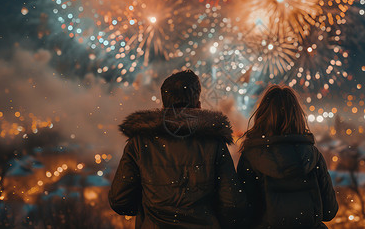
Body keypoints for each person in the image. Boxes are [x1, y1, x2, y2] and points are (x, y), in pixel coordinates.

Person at [109, 70, 246, 229]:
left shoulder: (139, 142)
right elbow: (233, 203)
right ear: (199, 106)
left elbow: (119, 201)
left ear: (163, 106)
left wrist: (147, 207)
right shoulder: (214, 142)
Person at [237, 84, 338, 228]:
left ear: (262, 116)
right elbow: (329, 211)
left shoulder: (251, 157)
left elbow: (244, 213)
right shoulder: (313, 155)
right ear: (297, 116)